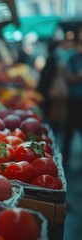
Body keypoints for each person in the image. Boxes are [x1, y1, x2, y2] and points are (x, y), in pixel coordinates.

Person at [62, 38, 82, 172]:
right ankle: (65, 162)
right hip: (74, 99)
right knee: (68, 131)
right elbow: (68, 78)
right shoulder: (72, 58)